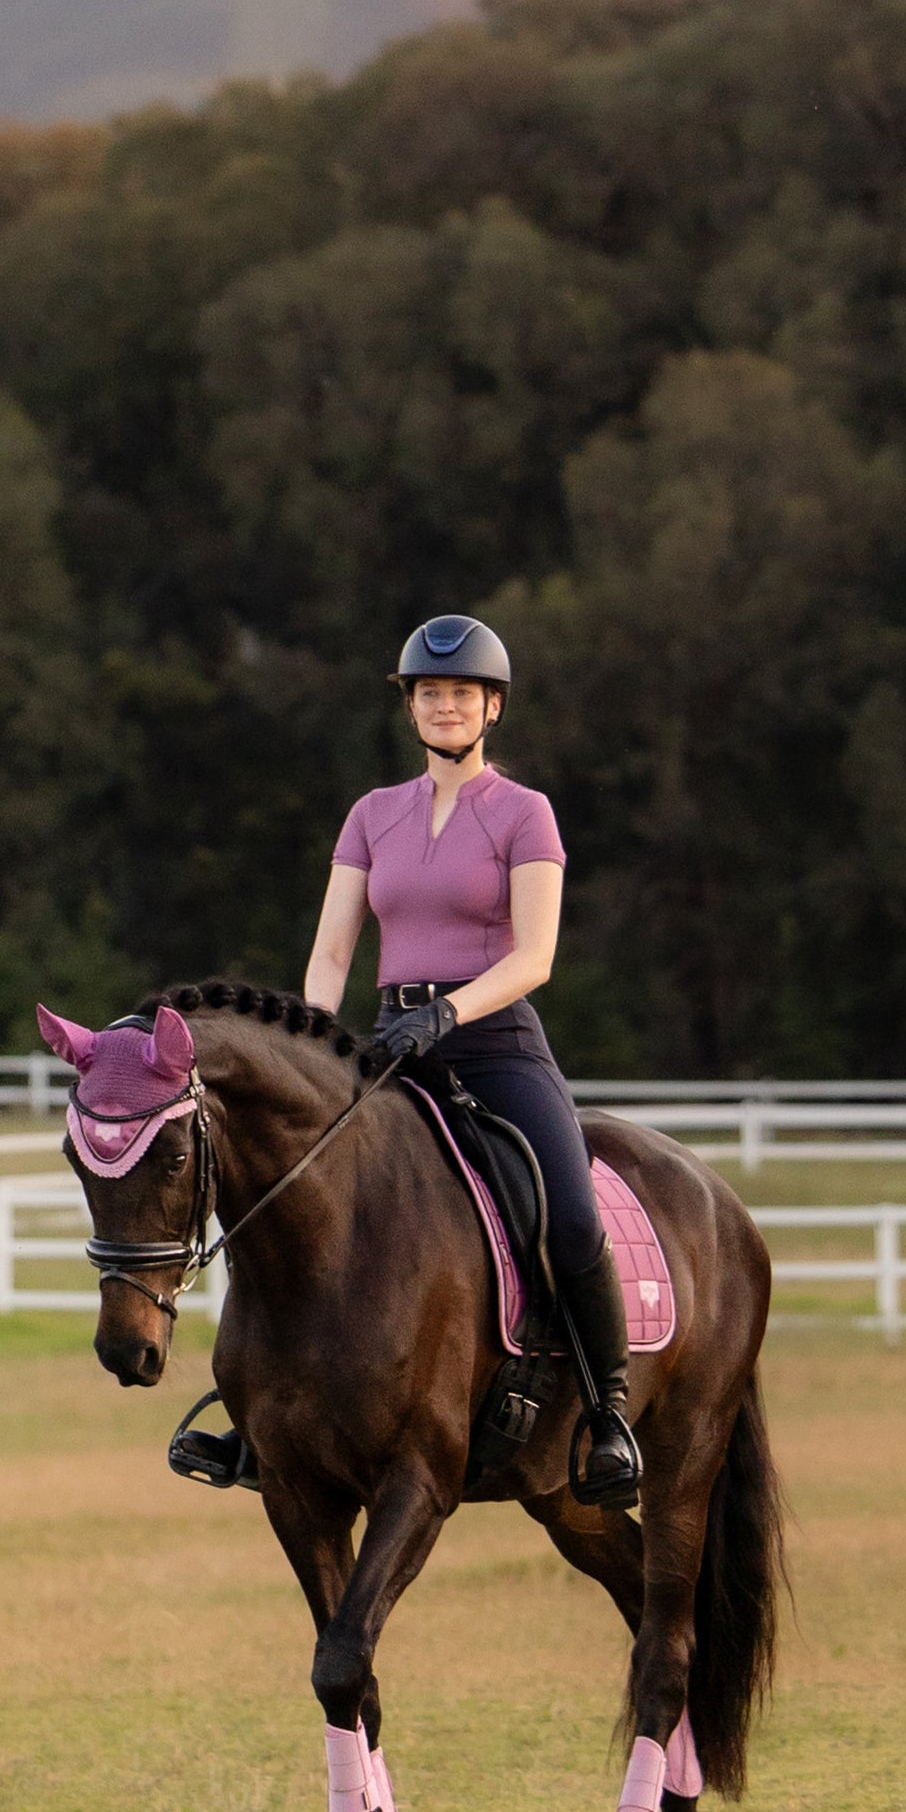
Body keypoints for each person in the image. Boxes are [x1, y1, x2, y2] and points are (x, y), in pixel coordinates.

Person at [303, 613, 644, 1507]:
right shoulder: (372, 815)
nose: (444, 706)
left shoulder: (524, 813)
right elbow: (334, 953)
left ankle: (606, 1413)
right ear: (410, 708)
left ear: (491, 706)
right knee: (301, 1200)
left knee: (568, 1216)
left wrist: (448, 1012)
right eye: (429, 693)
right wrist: (312, 1045)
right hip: (390, 1045)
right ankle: (269, 1409)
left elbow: (536, 957)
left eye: (461, 694)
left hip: (494, 1044)